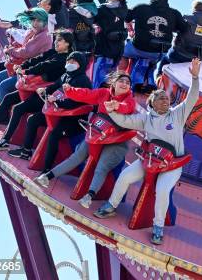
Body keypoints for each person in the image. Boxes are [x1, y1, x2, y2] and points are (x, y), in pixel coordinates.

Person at [93, 58, 201, 246]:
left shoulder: (177, 114)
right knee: (125, 176)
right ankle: (111, 205)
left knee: (162, 190)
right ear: (151, 103)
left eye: (166, 97)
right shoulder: (145, 119)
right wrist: (111, 111)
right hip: (150, 161)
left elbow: (192, 97)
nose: (165, 100)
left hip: (171, 165)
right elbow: (125, 122)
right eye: (160, 97)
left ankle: (158, 228)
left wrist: (195, 77)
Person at [33, 71, 136, 209]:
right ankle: (48, 176)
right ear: (114, 83)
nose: (124, 84)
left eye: (127, 83)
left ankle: (89, 196)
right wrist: (70, 90)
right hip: (98, 133)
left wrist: (116, 106)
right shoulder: (103, 93)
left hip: (116, 140)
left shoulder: (129, 99)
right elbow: (86, 94)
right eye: (121, 81)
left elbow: (127, 107)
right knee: (77, 156)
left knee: (102, 166)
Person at [0, 31, 74, 137]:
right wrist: (23, 66)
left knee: (18, 109)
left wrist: (26, 71)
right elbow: (38, 59)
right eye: (56, 39)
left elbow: (44, 65)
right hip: (33, 88)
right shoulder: (53, 52)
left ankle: (6, 139)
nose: (56, 42)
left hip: (45, 94)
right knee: (8, 98)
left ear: (67, 44)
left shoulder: (64, 59)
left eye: (59, 40)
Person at [3, 51, 92, 167]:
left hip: (72, 119)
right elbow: (54, 86)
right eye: (69, 61)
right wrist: (44, 91)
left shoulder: (83, 81)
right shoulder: (65, 75)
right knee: (33, 119)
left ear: (81, 64)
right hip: (57, 112)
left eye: (74, 61)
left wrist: (56, 102)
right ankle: (26, 151)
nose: (70, 63)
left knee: (54, 134)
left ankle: (46, 168)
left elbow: (75, 103)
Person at [0, 8, 52, 105]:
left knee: (4, 85)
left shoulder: (43, 36)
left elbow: (26, 52)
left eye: (38, 20)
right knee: (1, 75)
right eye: (33, 20)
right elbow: (25, 45)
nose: (34, 23)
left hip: (34, 71)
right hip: (27, 66)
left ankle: (0, 110)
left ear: (44, 20)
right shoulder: (36, 31)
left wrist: (10, 51)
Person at [123, 0, 186, 66]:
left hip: (139, 48)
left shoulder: (141, 7)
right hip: (160, 52)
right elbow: (183, 29)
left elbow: (126, 17)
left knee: (123, 54)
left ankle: (121, 74)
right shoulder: (175, 13)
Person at [155, 0, 202, 78]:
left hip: (180, 55)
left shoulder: (187, 18)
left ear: (195, 9)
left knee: (165, 58)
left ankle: (159, 77)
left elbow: (175, 29)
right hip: (200, 59)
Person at [92, 0, 129, 87]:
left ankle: (95, 95)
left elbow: (93, 19)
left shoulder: (103, 8)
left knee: (96, 78)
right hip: (118, 48)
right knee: (110, 78)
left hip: (103, 46)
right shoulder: (125, 9)